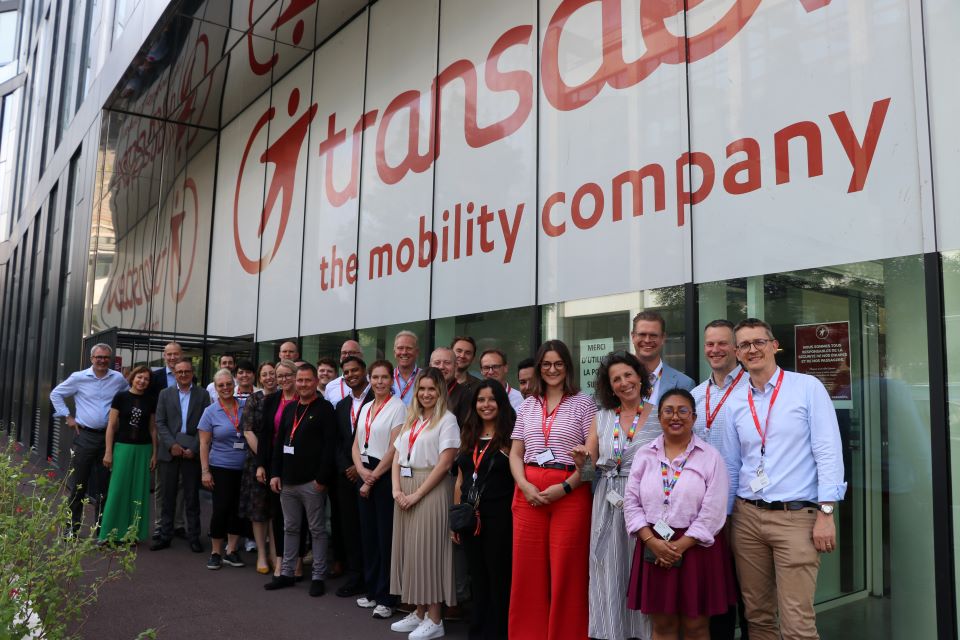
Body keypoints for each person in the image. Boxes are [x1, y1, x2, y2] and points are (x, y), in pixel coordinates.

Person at [722, 319, 846, 640]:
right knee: (757, 616)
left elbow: (828, 452)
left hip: (796, 518)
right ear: (737, 353)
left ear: (774, 345)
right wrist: (727, 518)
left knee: (797, 622)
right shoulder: (735, 401)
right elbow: (733, 465)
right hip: (747, 519)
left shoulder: (806, 388)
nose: (752, 349)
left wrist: (827, 513)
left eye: (759, 342)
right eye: (744, 345)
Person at [623, 388, 734, 640]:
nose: (675, 417)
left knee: (696, 627)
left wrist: (679, 547)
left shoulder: (710, 457)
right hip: (653, 544)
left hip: (697, 549)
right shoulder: (645, 454)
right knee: (662, 626)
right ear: (659, 417)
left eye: (683, 411)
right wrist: (652, 542)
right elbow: (631, 502)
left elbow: (714, 510)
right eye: (668, 411)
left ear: (693, 417)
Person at [508, 340, 595, 640]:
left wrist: (566, 488)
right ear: (538, 368)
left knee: (567, 570)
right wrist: (524, 485)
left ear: (567, 367)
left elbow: (590, 463)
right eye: (546, 364)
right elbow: (515, 453)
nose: (552, 369)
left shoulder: (584, 403)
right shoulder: (527, 405)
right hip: (528, 494)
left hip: (569, 494)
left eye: (558, 363)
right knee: (527, 571)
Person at [571, 351, 656, 640]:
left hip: (645, 501)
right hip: (608, 500)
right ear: (610, 386)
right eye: (616, 379)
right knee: (609, 569)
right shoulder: (602, 417)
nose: (624, 382)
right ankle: (611, 632)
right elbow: (588, 473)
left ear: (640, 377)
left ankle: (645, 633)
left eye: (628, 375)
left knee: (642, 568)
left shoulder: (659, 414)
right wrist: (581, 462)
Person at [389, 367, 460, 640]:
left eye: (432, 389)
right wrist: (396, 489)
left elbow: (445, 464)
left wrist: (416, 494)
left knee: (428, 553)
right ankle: (419, 613)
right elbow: (397, 456)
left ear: (440, 391)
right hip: (405, 488)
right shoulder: (413, 418)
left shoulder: (447, 420)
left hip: (430, 488)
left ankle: (435, 618)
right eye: (422, 388)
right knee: (411, 552)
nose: (426, 394)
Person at [690, 320, 750, 640]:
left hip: (743, 505)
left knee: (750, 593)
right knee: (717, 592)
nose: (715, 350)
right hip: (705, 510)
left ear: (736, 348)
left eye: (722, 343)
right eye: (710, 344)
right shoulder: (695, 396)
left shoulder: (752, 390)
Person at [265, 363, 337, 597]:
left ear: (316, 382)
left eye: (307, 380)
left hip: (312, 483)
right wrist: (275, 473)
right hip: (287, 482)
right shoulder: (290, 409)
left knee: (317, 530)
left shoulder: (325, 409)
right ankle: (286, 573)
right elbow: (279, 444)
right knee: (290, 528)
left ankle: (318, 576)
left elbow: (330, 447)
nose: (303, 384)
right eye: (300, 380)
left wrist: (321, 479)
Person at [453, 380, 516, 640]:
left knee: (498, 577)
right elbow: (460, 479)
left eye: (491, 399)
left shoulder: (510, 438)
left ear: (501, 403)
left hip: (500, 519)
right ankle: (478, 631)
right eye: (481, 400)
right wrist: (456, 518)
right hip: (470, 519)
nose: (486, 405)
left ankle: (498, 632)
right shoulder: (468, 435)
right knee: (477, 577)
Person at [50, 342, 130, 535]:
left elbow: (128, 397)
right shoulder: (79, 377)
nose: (102, 360)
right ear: (92, 358)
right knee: (79, 485)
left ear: (110, 359)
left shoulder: (118, 378)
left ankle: (101, 530)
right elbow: (56, 394)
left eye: (106, 357)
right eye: (98, 357)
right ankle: (72, 529)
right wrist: (67, 416)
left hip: (108, 439)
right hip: (84, 436)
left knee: (104, 486)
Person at [353, 360, 406, 619]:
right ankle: (373, 590)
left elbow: (394, 448)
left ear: (391, 380)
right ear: (370, 379)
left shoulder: (398, 408)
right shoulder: (366, 406)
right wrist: (361, 471)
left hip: (383, 476)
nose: (379, 382)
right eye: (375, 377)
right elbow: (355, 444)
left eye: (384, 377)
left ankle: (387, 597)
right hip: (364, 471)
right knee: (369, 536)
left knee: (386, 539)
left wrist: (372, 478)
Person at [152, 357, 209, 552]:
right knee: (167, 497)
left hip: (191, 452)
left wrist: (194, 447)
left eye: (187, 371)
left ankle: (194, 537)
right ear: (174, 374)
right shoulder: (165, 394)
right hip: (170, 452)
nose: (183, 375)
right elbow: (160, 422)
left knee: (192, 497)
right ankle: (165, 536)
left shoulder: (202, 394)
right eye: (179, 372)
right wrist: (172, 445)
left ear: (192, 373)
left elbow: (205, 424)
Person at [255, 360, 306, 580]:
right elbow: (264, 435)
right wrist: (260, 464)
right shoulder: (271, 400)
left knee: (299, 517)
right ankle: (280, 561)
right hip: (274, 464)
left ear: (296, 375)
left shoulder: (305, 398)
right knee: (277, 515)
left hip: (300, 465)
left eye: (288, 375)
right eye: (280, 376)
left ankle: (298, 561)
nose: (283, 380)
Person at [99, 365, 158, 544]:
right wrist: (108, 452)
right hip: (122, 448)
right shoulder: (120, 397)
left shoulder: (151, 400)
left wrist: (155, 453)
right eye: (139, 377)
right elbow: (111, 426)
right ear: (132, 378)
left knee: (139, 491)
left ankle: (132, 535)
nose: (142, 381)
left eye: (146, 379)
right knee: (117, 490)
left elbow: (153, 429)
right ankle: (108, 534)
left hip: (144, 449)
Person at [199, 369, 248, 570]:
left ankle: (232, 550)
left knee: (238, 510)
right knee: (220, 509)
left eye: (229, 384)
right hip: (220, 467)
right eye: (221, 385)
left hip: (244, 468)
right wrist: (205, 471)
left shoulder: (246, 407)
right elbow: (204, 443)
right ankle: (216, 552)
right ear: (215, 388)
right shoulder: (210, 411)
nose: (226, 388)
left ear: (234, 384)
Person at [332, 355, 372, 597]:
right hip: (346, 476)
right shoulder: (341, 405)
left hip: (370, 473)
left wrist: (359, 467)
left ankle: (371, 577)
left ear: (364, 371)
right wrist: (346, 466)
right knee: (349, 527)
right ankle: (355, 575)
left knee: (369, 528)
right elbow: (337, 442)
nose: (350, 375)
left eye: (355, 370)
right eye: (346, 372)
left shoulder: (377, 399)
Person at [239, 361, 279, 574]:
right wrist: (264, 459)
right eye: (265, 374)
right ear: (259, 378)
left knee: (275, 511)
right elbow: (248, 431)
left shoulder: (284, 398)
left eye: (272, 373)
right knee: (258, 509)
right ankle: (262, 555)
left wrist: (275, 461)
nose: (269, 377)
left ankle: (275, 554)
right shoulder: (254, 399)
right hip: (257, 462)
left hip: (280, 462)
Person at [148, 342, 187, 540]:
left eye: (176, 354)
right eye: (169, 354)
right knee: (162, 484)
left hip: (183, 438)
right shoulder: (155, 378)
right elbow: (152, 411)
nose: (172, 358)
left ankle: (178, 523)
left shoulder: (189, 376)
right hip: (162, 435)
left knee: (181, 484)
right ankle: (160, 524)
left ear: (182, 355)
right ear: (164, 356)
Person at [631, 311, 694, 404]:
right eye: (642, 334)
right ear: (633, 337)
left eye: (653, 335)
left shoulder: (684, 384)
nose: (647, 340)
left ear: (663, 338)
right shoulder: (615, 380)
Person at [430, 347, 470, 426]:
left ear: (456, 366)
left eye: (447, 363)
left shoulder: (466, 395)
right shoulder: (422, 393)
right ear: (430, 366)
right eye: (437, 363)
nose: (441, 367)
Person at [325, 340, 365, 405]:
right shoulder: (330, 386)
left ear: (361, 355)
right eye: (344, 353)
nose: (347, 356)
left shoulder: (372, 383)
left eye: (351, 352)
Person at [391, 330, 421, 405]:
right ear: (394, 352)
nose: (404, 352)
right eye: (400, 348)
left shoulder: (425, 376)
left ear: (417, 352)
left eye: (409, 348)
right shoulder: (387, 377)